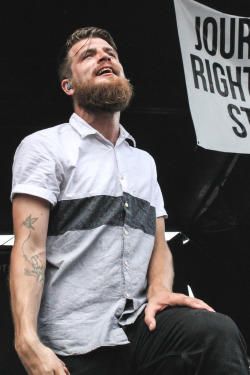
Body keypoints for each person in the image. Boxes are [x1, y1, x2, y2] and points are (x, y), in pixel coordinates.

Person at [10, 27, 248, 375]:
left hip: (139, 327)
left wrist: (160, 290)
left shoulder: (144, 162)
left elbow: (159, 244)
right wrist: (26, 339)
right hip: (74, 339)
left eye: (110, 53)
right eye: (88, 55)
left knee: (216, 332)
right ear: (69, 86)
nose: (104, 56)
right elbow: (29, 247)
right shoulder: (45, 147)